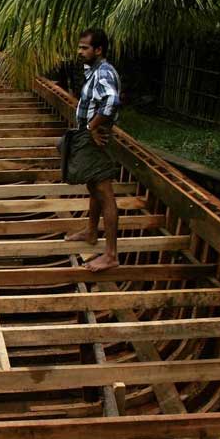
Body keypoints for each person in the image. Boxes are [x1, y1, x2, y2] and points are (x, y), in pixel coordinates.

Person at [62, 28, 122, 272]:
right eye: (79, 47)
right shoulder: (93, 71)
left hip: (97, 140)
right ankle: (90, 232)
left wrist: (91, 127)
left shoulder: (104, 72)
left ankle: (111, 255)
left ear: (99, 50)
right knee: (92, 185)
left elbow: (111, 101)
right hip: (90, 136)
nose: (80, 52)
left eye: (85, 48)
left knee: (104, 192)